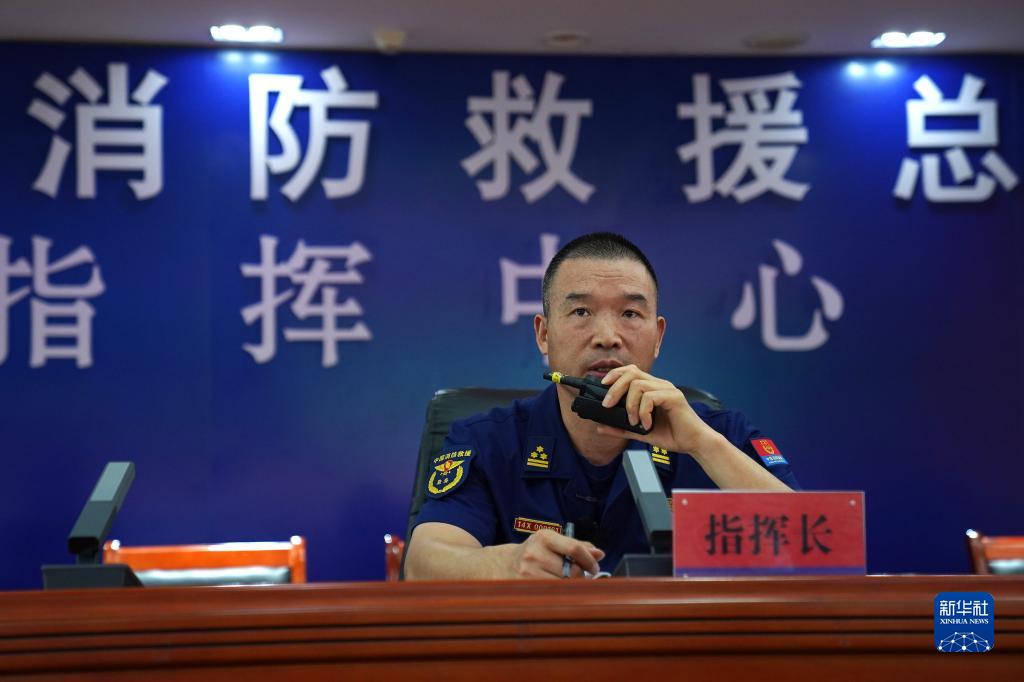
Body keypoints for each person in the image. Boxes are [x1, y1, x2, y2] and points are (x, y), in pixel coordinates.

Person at [405, 233, 799, 580]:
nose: (607, 337)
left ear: (658, 337)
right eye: (581, 312)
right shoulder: (487, 441)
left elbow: (808, 546)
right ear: (544, 334)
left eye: (630, 313)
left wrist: (701, 444)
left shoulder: (719, 434)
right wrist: (506, 564)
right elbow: (422, 564)